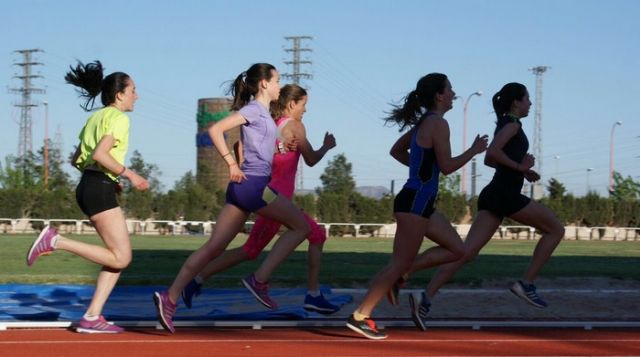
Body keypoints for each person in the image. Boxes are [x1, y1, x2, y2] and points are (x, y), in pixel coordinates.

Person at [153, 63, 311, 334]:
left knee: (213, 248)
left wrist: (284, 146)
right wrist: (231, 164)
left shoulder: (262, 114)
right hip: (254, 187)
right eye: (277, 80)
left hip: (242, 189)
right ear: (264, 84)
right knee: (303, 227)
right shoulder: (252, 110)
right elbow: (216, 130)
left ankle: (170, 297)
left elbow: (259, 147)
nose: (279, 86)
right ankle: (259, 281)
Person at [392, 82, 565, 329]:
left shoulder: (509, 124)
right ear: (516, 101)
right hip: (504, 195)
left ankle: (423, 296)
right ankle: (526, 284)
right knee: (556, 230)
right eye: (527, 98)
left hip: (495, 195)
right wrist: (519, 167)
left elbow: (494, 159)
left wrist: (522, 172)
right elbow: (491, 154)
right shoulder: (512, 124)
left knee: (465, 253)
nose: (530, 103)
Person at [346, 73, 488, 340]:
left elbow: (397, 151)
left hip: (420, 201)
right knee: (398, 263)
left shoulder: (426, 122)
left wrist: (420, 171)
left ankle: (405, 274)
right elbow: (446, 167)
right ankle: (360, 316)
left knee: (458, 250)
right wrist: (473, 150)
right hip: (415, 202)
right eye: (450, 89)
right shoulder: (438, 124)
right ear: (439, 95)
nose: (454, 93)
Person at [181, 84, 339, 313]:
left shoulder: (270, 124)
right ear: (292, 104)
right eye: (304, 105)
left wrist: (250, 163)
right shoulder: (295, 126)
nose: (306, 110)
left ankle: (197, 279)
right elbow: (311, 159)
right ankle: (272, 284)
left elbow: (239, 145)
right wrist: (326, 146)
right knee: (303, 235)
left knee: (258, 248)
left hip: (264, 192)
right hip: (273, 197)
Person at [26, 60, 149, 333]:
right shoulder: (119, 118)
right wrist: (130, 175)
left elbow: (76, 159)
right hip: (99, 186)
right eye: (133, 90)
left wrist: (110, 175)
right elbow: (100, 154)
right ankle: (56, 241)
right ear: (120, 94)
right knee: (122, 258)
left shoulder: (94, 118)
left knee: (115, 257)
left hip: (89, 184)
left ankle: (92, 316)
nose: (136, 95)